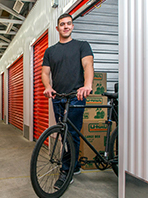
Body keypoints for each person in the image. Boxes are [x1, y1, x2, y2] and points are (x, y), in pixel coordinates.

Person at [42, 13, 94, 189]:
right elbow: (45, 73)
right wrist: (48, 86)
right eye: (62, 24)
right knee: (65, 134)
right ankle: (76, 165)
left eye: (69, 24)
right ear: (57, 28)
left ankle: (66, 171)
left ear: (72, 27)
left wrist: (86, 85)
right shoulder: (50, 51)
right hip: (58, 97)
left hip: (76, 96)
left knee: (70, 134)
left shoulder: (82, 46)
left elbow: (88, 65)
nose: (65, 26)